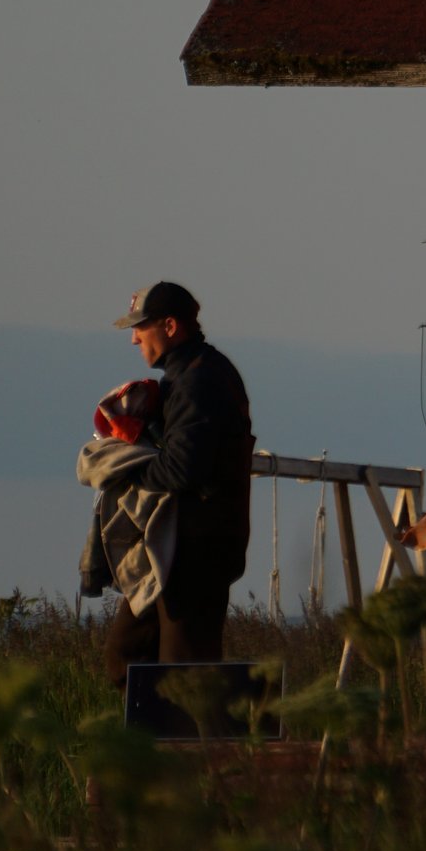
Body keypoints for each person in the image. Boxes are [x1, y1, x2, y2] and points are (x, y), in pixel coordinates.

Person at [94, 280, 255, 686]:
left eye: (140, 327)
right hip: (174, 549)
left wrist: (126, 469)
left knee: (186, 677)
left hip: (197, 551)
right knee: (126, 657)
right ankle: (235, 710)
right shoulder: (192, 374)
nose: (133, 339)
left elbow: (184, 469)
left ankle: (253, 713)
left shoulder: (198, 381)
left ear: (169, 326)